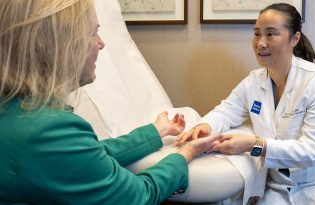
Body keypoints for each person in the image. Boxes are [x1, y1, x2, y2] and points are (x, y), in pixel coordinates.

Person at [0, 0, 221, 204]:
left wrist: (156, 131)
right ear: (62, 45)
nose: (101, 43)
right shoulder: (49, 130)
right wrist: (184, 155)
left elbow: (91, 153)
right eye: (94, 33)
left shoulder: (15, 109)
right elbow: (138, 196)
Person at [176, 3, 315, 205]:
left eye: (271, 34)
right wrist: (205, 127)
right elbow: (225, 111)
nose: (261, 43)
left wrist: (253, 144)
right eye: (257, 34)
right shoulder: (254, 82)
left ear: (295, 38)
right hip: (280, 185)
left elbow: (314, 151)